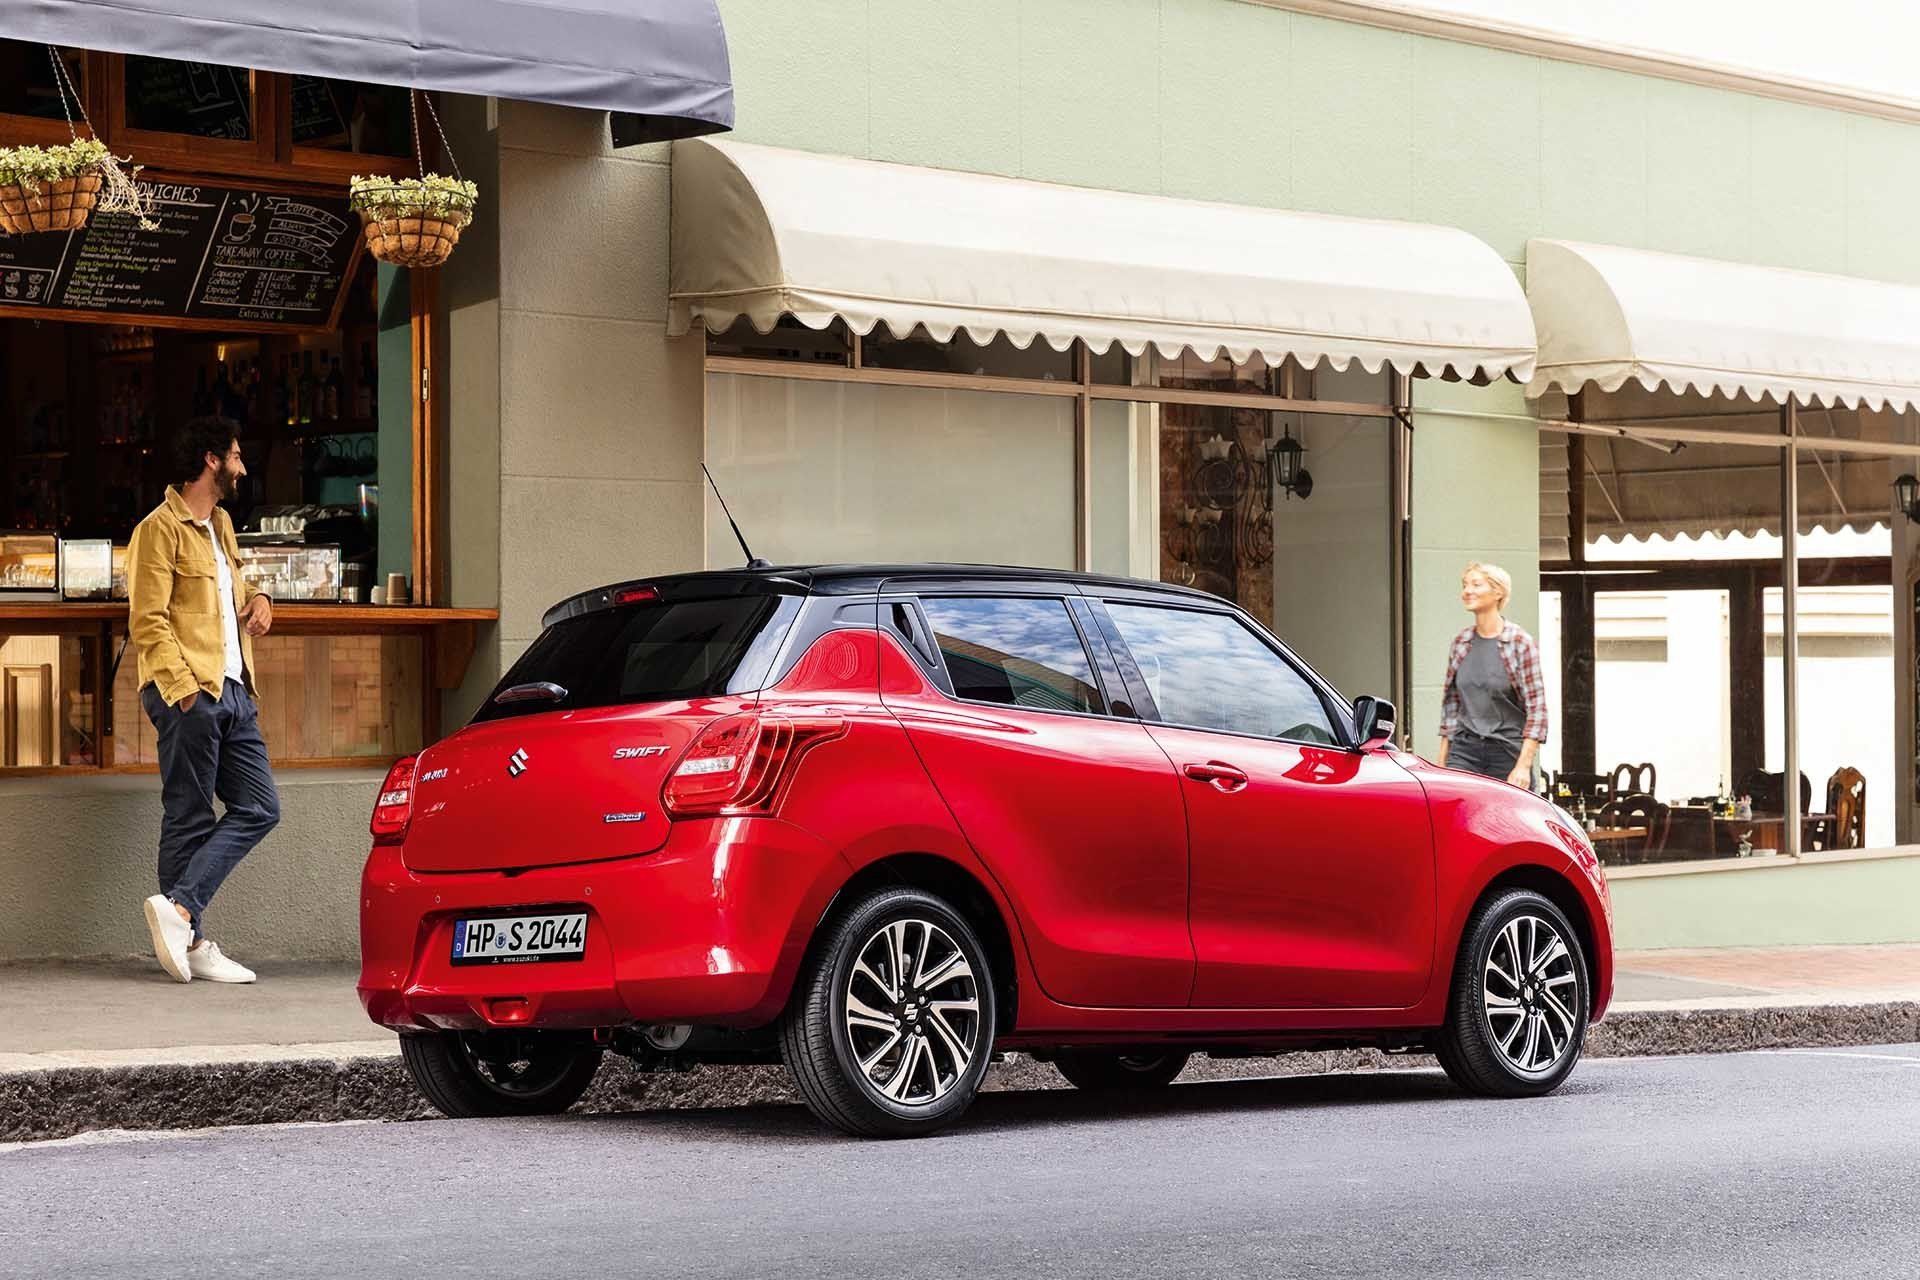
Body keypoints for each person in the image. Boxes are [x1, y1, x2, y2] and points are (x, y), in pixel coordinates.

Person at [128, 416, 279, 983]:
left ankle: (182, 912)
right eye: (236, 456)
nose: (242, 466)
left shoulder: (222, 525)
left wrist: (261, 598)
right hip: (190, 692)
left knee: (260, 806)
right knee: (189, 816)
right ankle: (188, 945)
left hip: (236, 689)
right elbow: (148, 621)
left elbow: (233, 589)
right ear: (211, 461)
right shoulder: (158, 530)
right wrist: (186, 691)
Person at [1436, 561, 1548, 788]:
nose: (1467, 591)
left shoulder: (1519, 643)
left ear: (1498, 592)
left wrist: (1523, 766)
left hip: (1506, 751)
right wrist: (1441, 764)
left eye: (1476, 584)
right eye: (1465, 585)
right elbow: (1451, 707)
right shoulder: (1461, 643)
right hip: (1464, 751)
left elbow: (1537, 710)